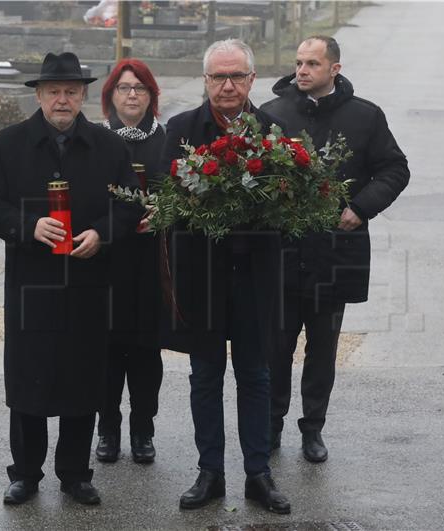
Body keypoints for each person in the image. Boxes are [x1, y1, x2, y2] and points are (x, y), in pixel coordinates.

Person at [0, 52, 143, 506]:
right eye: (53, 92)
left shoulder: (110, 147)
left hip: (88, 280)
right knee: (28, 378)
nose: (62, 100)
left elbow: (130, 204)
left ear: (84, 95)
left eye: (70, 91)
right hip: (32, 282)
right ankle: (25, 473)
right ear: (39, 95)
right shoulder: (8, 145)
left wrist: (101, 234)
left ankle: (74, 473)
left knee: (83, 378)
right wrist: (28, 226)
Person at [260, 36, 409, 463]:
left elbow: (395, 168)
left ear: (334, 69)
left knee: (322, 348)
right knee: (276, 347)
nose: (301, 71)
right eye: (298, 62)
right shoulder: (272, 115)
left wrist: (360, 208)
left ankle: (313, 429)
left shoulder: (365, 116)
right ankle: (270, 427)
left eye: (311, 64)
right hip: (282, 253)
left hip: (334, 253)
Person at [159, 39, 290, 514]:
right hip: (203, 277)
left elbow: (291, 203)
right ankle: (210, 472)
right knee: (205, 375)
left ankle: (258, 473)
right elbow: (167, 199)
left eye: (237, 76)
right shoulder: (180, 130)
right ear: (206, 81)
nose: (228, 86)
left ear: (252, 80)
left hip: (256, 276)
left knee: (256, 374)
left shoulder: (276, 130)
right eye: (219, 77)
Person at [95, 58, 166, 465]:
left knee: (145, 353)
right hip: (106, 261)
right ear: (111, 96)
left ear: (152, 95)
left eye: (140, 88)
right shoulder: (98, 140)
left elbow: (181, 189)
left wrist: (166, 212)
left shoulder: (166, 139)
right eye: (124, 88)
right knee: (107, 351)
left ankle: (143, 429)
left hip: (151, 261)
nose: (132, 95)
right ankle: (108, 428)